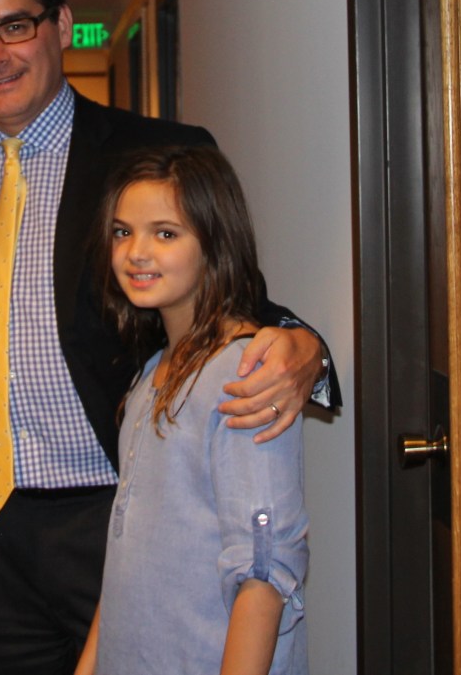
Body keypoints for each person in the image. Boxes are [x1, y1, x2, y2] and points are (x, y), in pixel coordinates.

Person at [0, 0, 337, 674]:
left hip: (111, 514)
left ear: (59, 22)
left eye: (15, 25)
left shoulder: (153, 152)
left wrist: (308, 350)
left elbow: (234, 294)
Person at [75, 146, 308, 675]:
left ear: (214, 243)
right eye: (122, 232)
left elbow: (263, 576)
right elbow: (126, 560)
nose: (136, 252)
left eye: (165, 233)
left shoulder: (244, 376)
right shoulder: (150, 373)